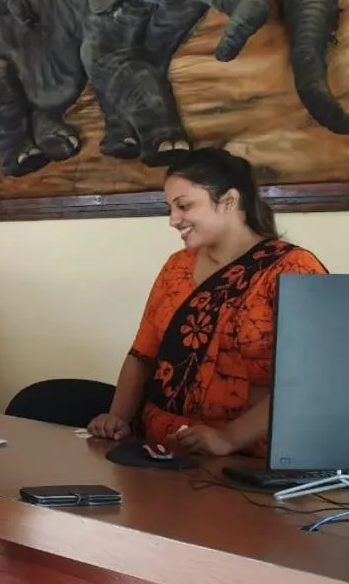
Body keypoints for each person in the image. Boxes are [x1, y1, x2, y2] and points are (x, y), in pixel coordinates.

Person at [87, 147, 328, 458]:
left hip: (248, 460)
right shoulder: (177, 267)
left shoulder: (293, 269)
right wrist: (117, 418)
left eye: (184, 206)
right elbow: (141, 355)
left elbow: (312, 379)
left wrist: (227, 439)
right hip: (160, 450)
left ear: (229, 201)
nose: (173, 220)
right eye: (170, 208)